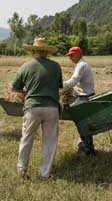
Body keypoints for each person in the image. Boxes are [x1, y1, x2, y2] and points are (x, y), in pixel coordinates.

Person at [10, 36, 63, 179]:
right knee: (49, 142)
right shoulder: (56, 66)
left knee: (27, 138)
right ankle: (44, 173)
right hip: (52, 108)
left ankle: (22, 170)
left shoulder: (25, 66)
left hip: (32, 108)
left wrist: (26, 93)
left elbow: (15, 88)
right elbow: (59, 87)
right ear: (47, 52)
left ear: (33, 50)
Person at [63, 46, 96, 155]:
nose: (70, 58)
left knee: (82, 122)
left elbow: (74, 80)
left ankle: (86, 149)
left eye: (71, 55)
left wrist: (60, 86)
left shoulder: (81, 65)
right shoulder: (81, 64)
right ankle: (86, 147)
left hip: (85, 97)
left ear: (78, 55)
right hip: (85, 95)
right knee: (83, 122)